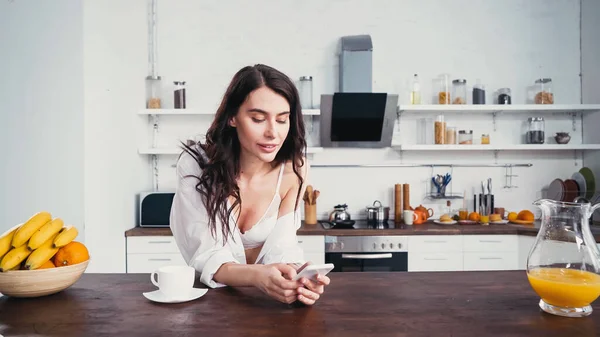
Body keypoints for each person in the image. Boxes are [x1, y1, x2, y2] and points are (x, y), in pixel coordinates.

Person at [170, 64, 330, 305]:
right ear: (233, 117)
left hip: (264, 305)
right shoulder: (196, 164)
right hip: (210, 303)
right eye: (258, 119)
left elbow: (283, 247)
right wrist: (258, 276)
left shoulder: (294, 169)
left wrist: (297, 277)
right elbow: (204, 254)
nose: (273, 133)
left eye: (282, 119)